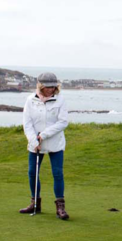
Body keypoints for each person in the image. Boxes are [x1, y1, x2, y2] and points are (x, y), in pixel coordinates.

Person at [19, 72, 70, 220]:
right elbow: (27, 123)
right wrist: (33, 140)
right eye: (47, 87)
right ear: (40, 86)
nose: (51, 89)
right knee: (32, 172)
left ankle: (60, 207)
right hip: (35, 144)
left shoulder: (60, 100)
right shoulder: (30, 100)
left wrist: (44, 135)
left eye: (53, 87)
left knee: (57, 173)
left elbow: (62, 122)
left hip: (55, 142)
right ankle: (35, 203)